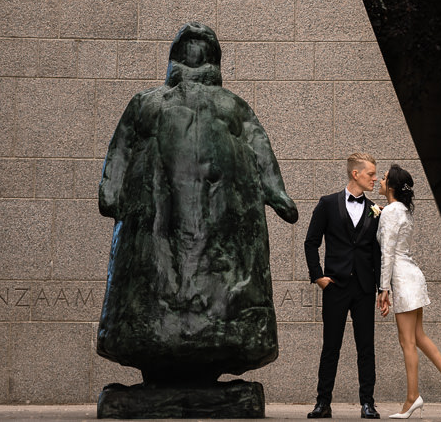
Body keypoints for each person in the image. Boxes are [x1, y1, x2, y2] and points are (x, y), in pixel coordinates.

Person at [96, 22, 299, 383]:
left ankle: (211, 355)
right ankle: (154, 355)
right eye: (188, 45)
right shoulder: (148, 102)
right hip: (157, 212)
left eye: (201, 45)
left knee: (217, 286)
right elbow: (123, 143)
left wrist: (276, 190)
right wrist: (111, 188)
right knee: (154, 278)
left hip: (219, 215)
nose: (194, 52)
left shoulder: (232, 105)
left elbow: (258, 144)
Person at [376, 164, 441, 418]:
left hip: (402, 279)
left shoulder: (391, 212)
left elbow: (387, 253)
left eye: (383, 178)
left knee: (407, 342)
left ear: (392, 186)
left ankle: (412, 398)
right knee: (418, 337)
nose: (380, 181)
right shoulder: (402, 210)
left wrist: (383, 288)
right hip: (412, 276)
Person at [305, 152, 383, 419]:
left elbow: (377, 253)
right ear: (356, 174)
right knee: (331, 346)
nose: (374, 178)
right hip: (335, 285)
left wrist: (382, 287)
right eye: (371, 174)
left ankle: (368, 403)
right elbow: (311, 242)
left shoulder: (375, 210)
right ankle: (322, 403)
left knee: (366, 347)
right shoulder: (327, 204)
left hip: (363, 287)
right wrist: (318, 276)